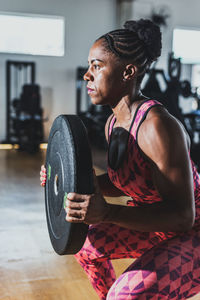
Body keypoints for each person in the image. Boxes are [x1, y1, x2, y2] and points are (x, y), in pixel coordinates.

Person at [40, 19, 200, 299]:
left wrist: (109, 213)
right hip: (157, 226)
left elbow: (183, 217)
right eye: (89, 66)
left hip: (193, 232)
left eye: (97, 66)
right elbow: (124, 183)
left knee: (127, 295)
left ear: (128, 71)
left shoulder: (158, 127)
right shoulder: (114, 123)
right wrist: (67, 182)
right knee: (87, 246)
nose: (87, 75)